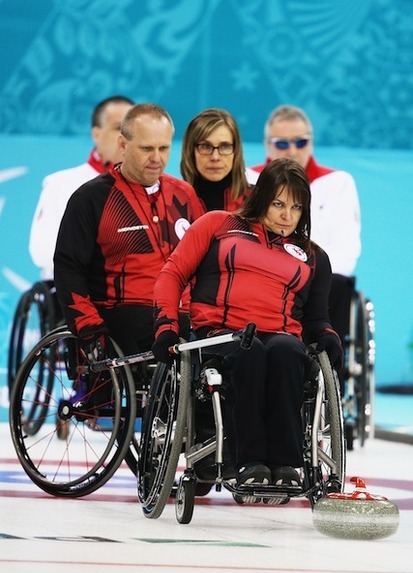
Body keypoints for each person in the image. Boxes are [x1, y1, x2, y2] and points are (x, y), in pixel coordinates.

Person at [151, 158, 343, 502]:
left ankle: (286, 465)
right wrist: (166, 323)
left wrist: (328, 336)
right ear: (262, 198)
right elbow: (172, 274)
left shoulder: (314, 257)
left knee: (288, 352)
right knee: (249, 351)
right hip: (220, 335)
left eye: (297, 207)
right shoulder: (217, 225)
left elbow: (317, 318)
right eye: (279, 204)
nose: (287, 215)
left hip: (282, 338)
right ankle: (249, 460)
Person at [54, 103, 205, 359]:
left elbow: (207, 263)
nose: (157, 158)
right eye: (147, 148)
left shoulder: (185, 195)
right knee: (178, 333)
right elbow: (69, 267)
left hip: (184, 313)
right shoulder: (92, 198)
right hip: (123, 313)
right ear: (123, 145)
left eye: (164, 148)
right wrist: (88, 326)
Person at [250, 104, 361, 346]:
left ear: (311, 143)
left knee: (338, 282)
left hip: (317, 277)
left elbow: (346, 251)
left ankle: (329, 369)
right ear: (268, 144)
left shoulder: (338, 183)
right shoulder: (249, 179)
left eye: (300, 142)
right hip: (264, 274)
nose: (292, 150)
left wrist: (303, 272)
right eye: (282, 143)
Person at [29, 95, 135, 280]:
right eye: (118, 128)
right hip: (73, 299)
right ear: (96, 134)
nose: (125, 137)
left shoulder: (156, 188)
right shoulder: (61, 184)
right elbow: (42, 252)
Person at [180, 108, 258, 213]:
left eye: (225, 146)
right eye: (205, 146)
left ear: (236, 150)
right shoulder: (173, 202)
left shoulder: (257, 201)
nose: (215, 157)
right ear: (190, 151)